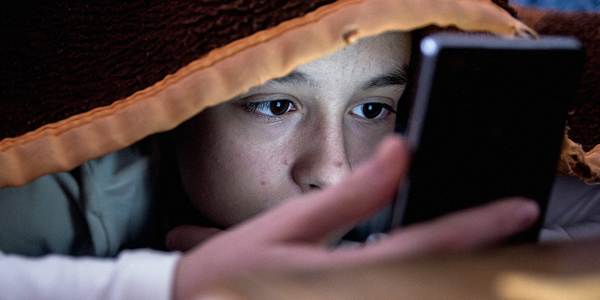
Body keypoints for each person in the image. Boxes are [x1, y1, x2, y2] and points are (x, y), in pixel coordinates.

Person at [0, 31, 559, 300]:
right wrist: (178, 284)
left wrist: (348, 265)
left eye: (370, 108)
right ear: (177, 106)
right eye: (276, 105)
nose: (334, 171)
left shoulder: (400, 164)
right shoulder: (59, 188)